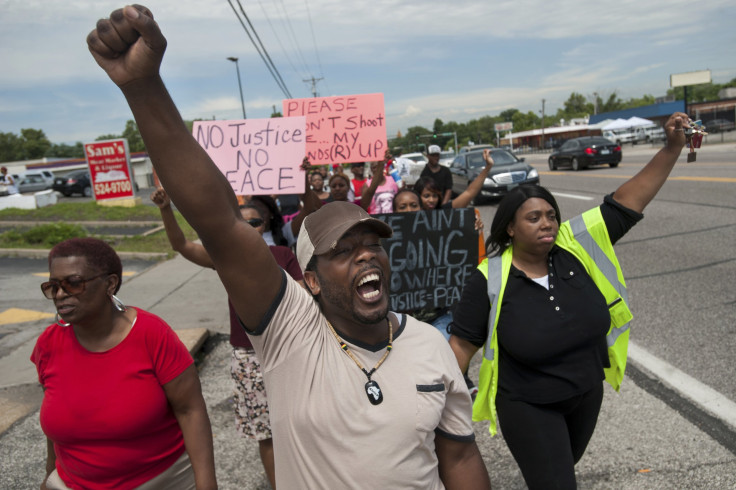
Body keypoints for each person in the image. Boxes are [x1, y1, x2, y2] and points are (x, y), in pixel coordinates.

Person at [87, 6, 491, 489]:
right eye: (342, 251)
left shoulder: (429, 345)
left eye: (372, 244)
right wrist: (143, 87)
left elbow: (461, 461)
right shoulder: (289, 333)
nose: (365, 254)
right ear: (311, 281)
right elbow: (220, 223)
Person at [449, 112, 692, 489]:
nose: (546, 223)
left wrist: (672, 148)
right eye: (533, 218)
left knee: (559, 471)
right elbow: (461, 346)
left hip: (586, 395)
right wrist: (439, 413)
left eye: (551, 215)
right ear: (511, 228)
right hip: (528, 404)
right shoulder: (488, 277)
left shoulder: (576, 245)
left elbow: (630, 199)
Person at [31, 237, 216, 490]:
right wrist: (50, 475)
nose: (60, 294)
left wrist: (206, 484)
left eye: (73, 283)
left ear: (110, 284)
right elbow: (54, 430)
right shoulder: (47, 345)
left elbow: (191, 411)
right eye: (53, 286)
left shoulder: (152, 334)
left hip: (161, 481)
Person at [151, 188, 303, 489]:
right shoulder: (223, 258)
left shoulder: (283, 255)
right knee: (267, 434)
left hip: (290, 349)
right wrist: (167, 209)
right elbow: (180, 244)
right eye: (242, 223)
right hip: (248, 356)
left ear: (266, 225)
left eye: (255, 222)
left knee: (301, 424)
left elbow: (303, 295)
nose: (249, 228)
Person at [415, 149, 495, 211]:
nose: (431, 200)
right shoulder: (411, 215)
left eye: (435, 196)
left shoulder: (444, 211)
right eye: (426, 196)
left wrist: (488, 167)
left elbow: (469, 192)